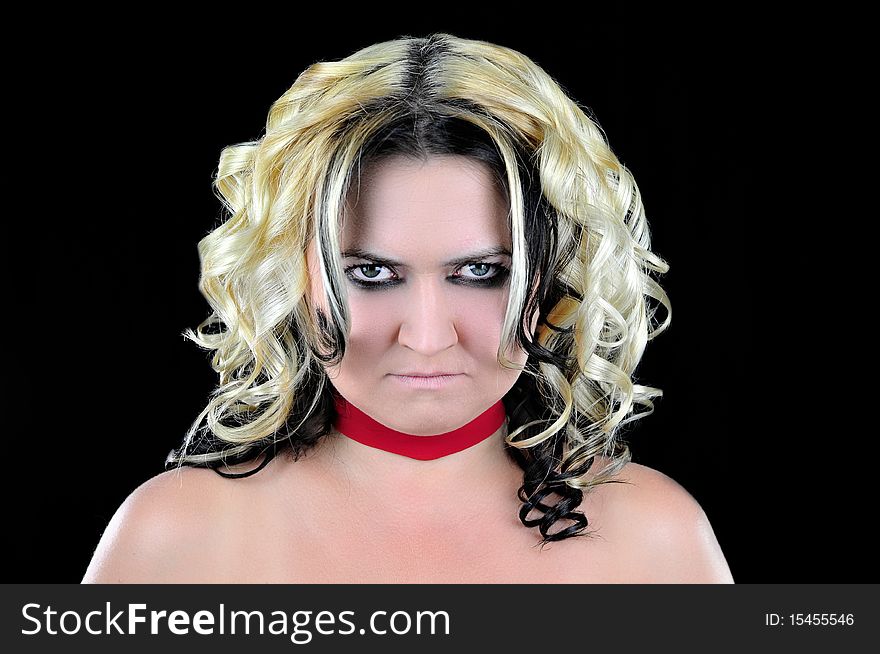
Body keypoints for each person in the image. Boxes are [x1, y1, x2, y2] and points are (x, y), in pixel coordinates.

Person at [82, 32, 733, 583]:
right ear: (296, 281)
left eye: (480, 272)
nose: (426, 337)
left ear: (552, 280)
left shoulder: (659, 543)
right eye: (371, 272)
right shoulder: (171, 542)